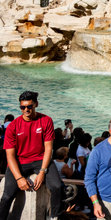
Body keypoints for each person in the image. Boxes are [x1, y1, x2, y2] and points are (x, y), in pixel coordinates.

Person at [0, 91, 62, 220]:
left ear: (36, 104)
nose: (26, 110)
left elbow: (48, 149)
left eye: (29, 106)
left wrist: (42, 172)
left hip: (40, 159)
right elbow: (10, 156)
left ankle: (54, 217)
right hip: (20, 161)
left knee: (56, 186)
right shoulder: (13, 126)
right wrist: (19, 178)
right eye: (23, 107)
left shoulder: (46, 120)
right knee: (7, 196)